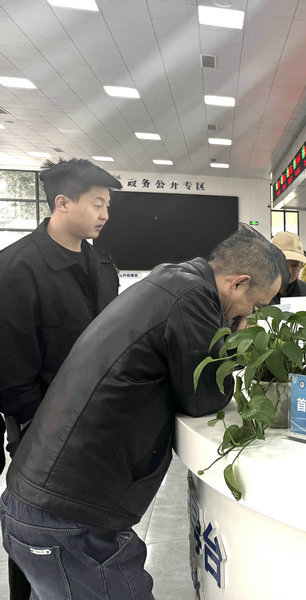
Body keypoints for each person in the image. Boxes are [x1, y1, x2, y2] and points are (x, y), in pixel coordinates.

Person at [1, 224, 288, 600]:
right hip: (70, 522)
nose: (253, 314)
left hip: (42, 504)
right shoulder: (193, 300)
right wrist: (237, 340)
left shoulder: (171, 278)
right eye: (257, 304)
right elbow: (204, 395)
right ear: (238, 283)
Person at [0, 157, 122, 600]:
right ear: (63, 203)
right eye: (96, 204)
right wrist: (31, 420)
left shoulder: (102, 266)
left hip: (95, 422)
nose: (104, 214)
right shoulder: (17, 267)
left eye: (107, 206)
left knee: (85, 527)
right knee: (36, 526)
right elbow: (9, 357)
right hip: (39, 426)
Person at [269, 231, 306, 304]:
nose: (289, 272)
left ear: (301, 266)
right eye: (282, 264)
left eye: (295, 265)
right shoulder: (254, 293)